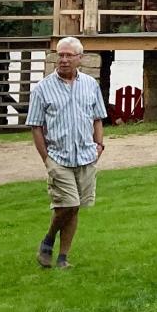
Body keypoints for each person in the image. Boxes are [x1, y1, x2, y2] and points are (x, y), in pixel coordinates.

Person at [27, 36, 107, 269]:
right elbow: (36, 126)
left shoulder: (90, 85)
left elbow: (97, 119)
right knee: (69, 204)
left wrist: (99, 146)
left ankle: (62, 257)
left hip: (85, 155)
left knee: (74, 208)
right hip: (58, 157)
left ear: (79, 58)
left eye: (68, 55)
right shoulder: (43, 88)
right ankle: (48, 239)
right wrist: (47, 159)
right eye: (60, 55)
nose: (63, 60)